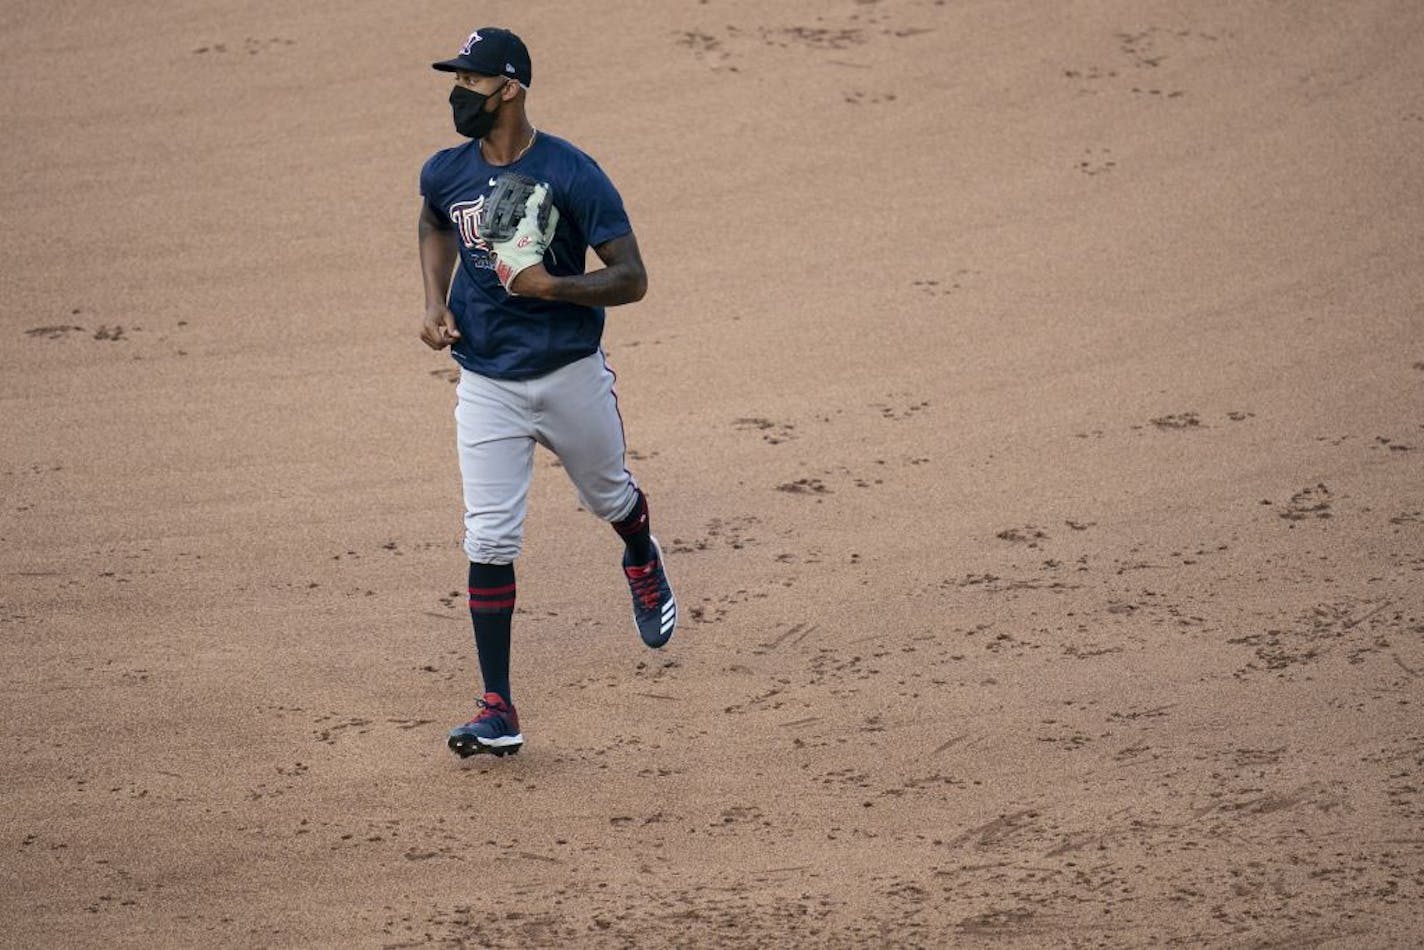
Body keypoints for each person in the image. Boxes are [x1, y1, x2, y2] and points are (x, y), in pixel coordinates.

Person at [416, 27, 677, 758]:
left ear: (509, 89)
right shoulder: (445, 171)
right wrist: (435, 303)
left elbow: (632, 277)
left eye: (469, 82)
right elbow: (433, 222)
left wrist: (553, 287)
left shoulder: (573, 172)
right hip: (487, 380)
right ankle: (498, 708)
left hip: (569, 374)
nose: (456, 94)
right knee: (489, 537)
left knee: (609, 497)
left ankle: (640, 555)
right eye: (456, 80)